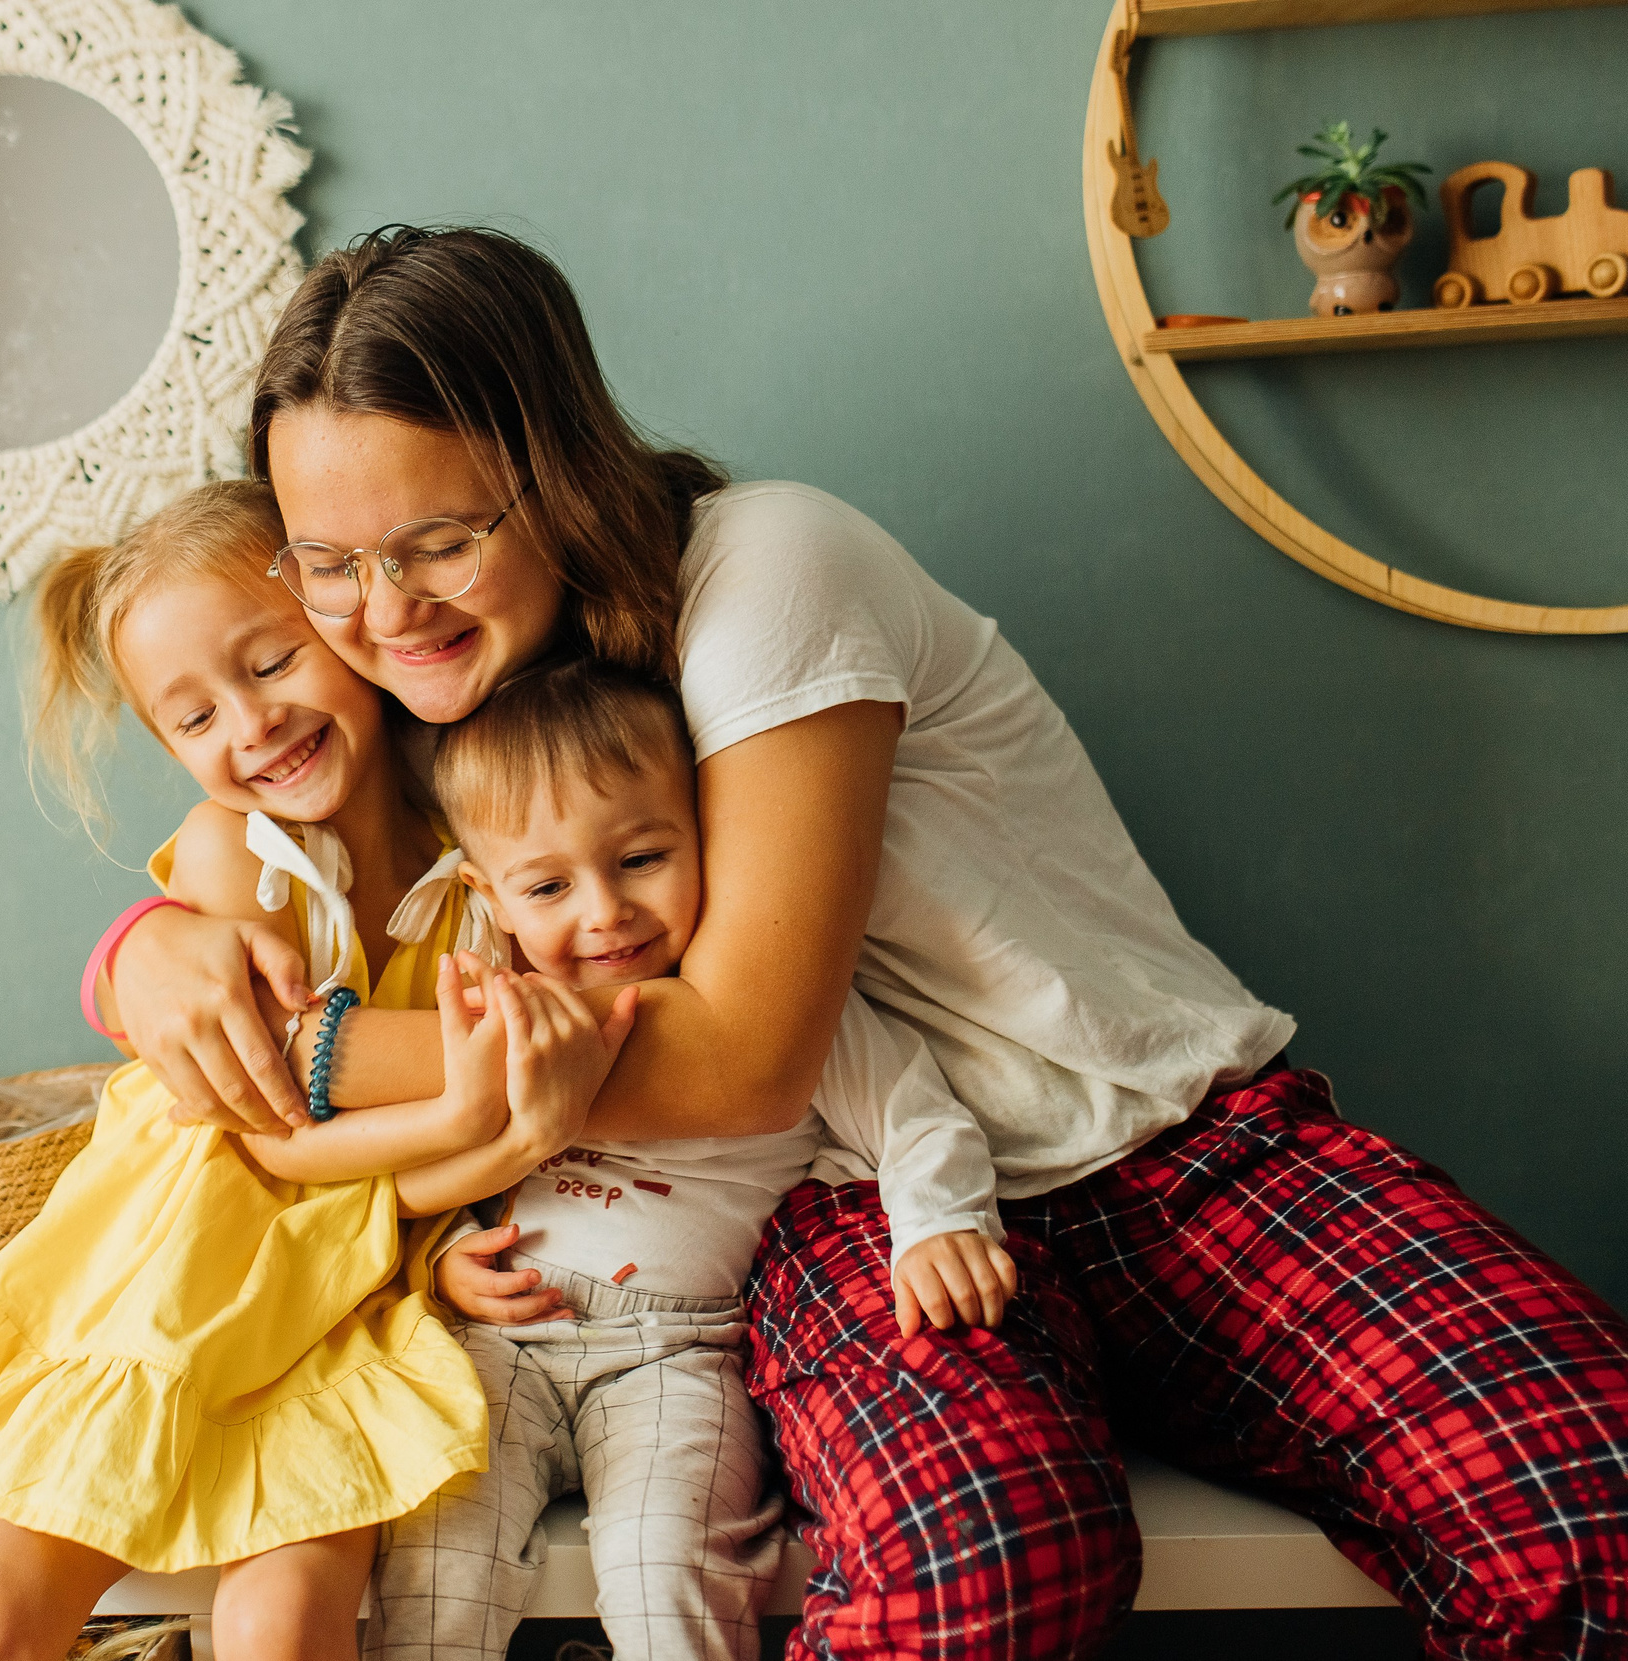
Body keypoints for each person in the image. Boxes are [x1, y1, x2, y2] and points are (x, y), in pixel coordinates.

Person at [94, 228, 1628, 1659]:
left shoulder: (767, 570)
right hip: (836, 1201)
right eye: (327, 561)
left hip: (1159, 1138)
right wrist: (140, 951)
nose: (380, 608)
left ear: (554, 475)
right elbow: (259, 860)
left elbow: (742, 1054)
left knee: (1590, 1520)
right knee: (988, 1565)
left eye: (435, 540)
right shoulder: (440, 704)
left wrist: (310, 1051)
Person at [0, 481, 636, 1661]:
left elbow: (380, 1194)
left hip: (348, 1299)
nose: (248, 727)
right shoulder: (238, 858)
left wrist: (461, 1210)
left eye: (269, 662)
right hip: (184, 1272)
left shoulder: (486, 854)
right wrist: (478, 1120)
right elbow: (272, 1147)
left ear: (344, 626)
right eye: (192, 718)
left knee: (287, 1613)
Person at [365, 658, 1014, 1661]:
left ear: (709, 830)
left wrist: (940, 1222)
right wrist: (448, 1247)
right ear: (484, 893)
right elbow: (444, 1156)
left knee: (664, 1563)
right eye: (546, 883)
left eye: (641, 857)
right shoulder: (496, 1011)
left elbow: (920, 1117)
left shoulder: (780, 1015)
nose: (604, 912)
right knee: (436, 1562)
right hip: (499, 1342)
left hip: (677, 1351)